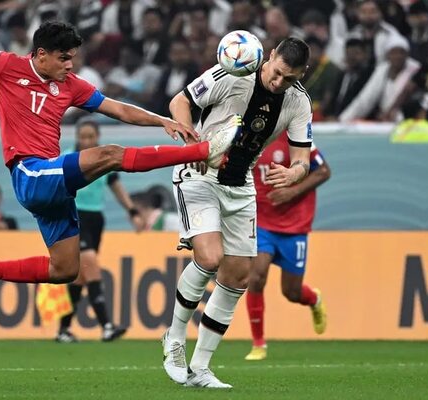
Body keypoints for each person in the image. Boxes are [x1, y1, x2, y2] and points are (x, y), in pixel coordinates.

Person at [0, 21, 238, 311]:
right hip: (30, 173)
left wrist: (162, 119)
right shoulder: (5, 65)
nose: (70, 65)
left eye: (72, 59)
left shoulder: (70, 85)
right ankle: (203, 152)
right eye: (64, 58)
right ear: (40, 54)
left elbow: (117, 108)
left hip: (52, 186)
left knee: (65, 269)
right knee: (110, 154)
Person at [162, 37, 313, 388]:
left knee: (237, 277)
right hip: (200, 174)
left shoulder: (298, 102)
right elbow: (179, 101)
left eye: (289, 79)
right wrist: (193, 144)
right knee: (210, 256)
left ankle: (200, 368)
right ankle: (174, 338)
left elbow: (303, 159)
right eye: (276, 73)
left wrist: (294, 173)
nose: (278, 83)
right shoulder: (232, 70)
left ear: (301, 75)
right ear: (270, 56)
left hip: (241, 186)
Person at [244, 132, 331, 362]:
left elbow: (324, 171)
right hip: (262, 222)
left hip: (294, 226)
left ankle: (313, 299)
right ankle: (258, 344)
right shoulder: (252, 134)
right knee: (256, 277)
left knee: (291, 292)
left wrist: (292, 191)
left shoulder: (297, 137)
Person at [56, 118, 141, 343]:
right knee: (91, 265)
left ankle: (63, 330)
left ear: (97, 137)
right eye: (82, 136)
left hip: (96, 219)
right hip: (75, 216)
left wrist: (132, 210)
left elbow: (115, 185)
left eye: (90, 136)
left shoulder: (103, 159)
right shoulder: (67, 158)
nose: (86, 140)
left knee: (80, 276)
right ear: (77, 137)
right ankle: (107, 325)